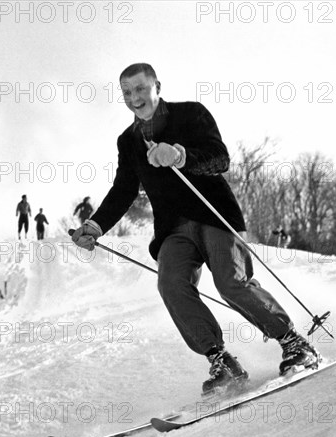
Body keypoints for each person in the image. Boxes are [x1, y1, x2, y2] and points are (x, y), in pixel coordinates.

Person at [71, 63, 319, 395]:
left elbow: (220, 158)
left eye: (141, 88)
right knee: (171, 284)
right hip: (173, 228)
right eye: (127, 92)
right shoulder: (128, 142)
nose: (134, 98)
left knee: (230, 283)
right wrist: (95, 225)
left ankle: (294, 343)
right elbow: (123, 189)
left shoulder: (190, 114)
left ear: (157, 85)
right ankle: (221, 360)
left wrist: (180, 155)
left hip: (214, 215)